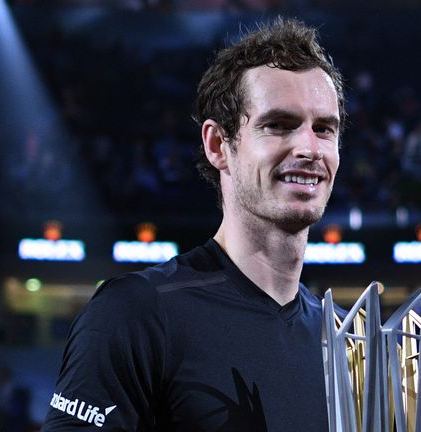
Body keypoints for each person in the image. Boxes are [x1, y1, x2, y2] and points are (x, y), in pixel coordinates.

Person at [42, 17, 344, 431]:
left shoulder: (346, 340)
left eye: (324, 129)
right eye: (278, 125)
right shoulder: (136, 314)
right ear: (219, 145)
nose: (309, 147)